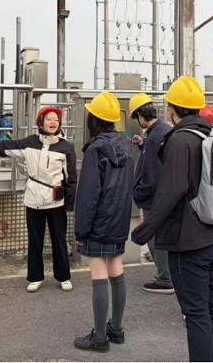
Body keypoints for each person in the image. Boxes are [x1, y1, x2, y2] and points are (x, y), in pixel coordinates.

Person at [131, 76, 213, 362]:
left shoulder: (180, 140)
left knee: (195, 313)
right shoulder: (211, 136)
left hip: (189, 242)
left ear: (172, 110)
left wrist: (146, 229)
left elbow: (172, 190)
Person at [0, 106, 77, 293]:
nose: (53, 122)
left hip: (56, 201)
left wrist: (70, 203)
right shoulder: (30, 143)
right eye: (49, 119)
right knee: (35, 240)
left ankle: (63, 276)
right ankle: (35, 277)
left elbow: (71, 178)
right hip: (33, 199)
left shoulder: (65, 148)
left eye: (56, 120)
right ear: (41, 122)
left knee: (59, 239)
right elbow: (6, 147)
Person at [73, 91, 135, 353]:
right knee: (116, 271)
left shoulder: (95, 150)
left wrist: (81, 231)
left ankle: (99, 338)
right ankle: (116, 329)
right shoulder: (126, 147)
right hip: (119, 219)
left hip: (99, 221)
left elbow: (88, 195)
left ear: (94, 119)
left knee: (98, 274)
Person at [129, 92, 174, 294]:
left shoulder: (155, 137)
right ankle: (168, 275)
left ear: (140, 115)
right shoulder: (163, 131)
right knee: (163, 237)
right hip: (165, 196)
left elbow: (153, 174)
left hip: (153, 199)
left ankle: (165, 279)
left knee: (155, 239)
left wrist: (139, 192)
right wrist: (143, 145)